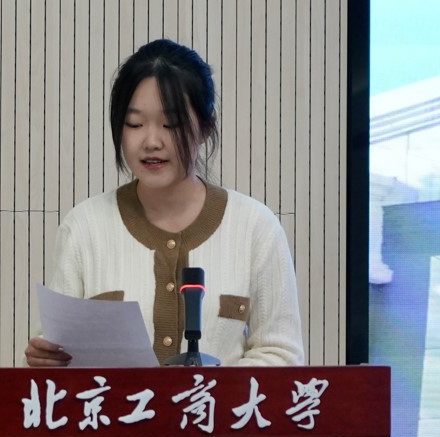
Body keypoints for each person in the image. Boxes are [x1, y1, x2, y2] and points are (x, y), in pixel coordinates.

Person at [25, 38, 304, 368]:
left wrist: (208, 391)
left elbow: (281, 355)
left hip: (217, 405)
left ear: (206, 126)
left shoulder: (256, 227)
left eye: (171, 124)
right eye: (135, 124)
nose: (151, 141)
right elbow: (55, 353)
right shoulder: (84, 227)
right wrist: (45, 360)